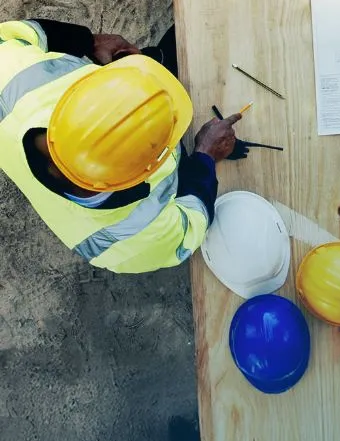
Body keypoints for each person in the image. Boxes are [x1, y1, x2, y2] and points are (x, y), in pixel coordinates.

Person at [0, 17, 243, 273]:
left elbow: (12, 35)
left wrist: (90, 42)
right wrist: (205, 155)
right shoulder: (130, 241)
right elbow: (190, 227)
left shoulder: (12, 75)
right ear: (142, 171)